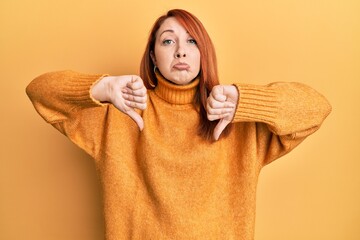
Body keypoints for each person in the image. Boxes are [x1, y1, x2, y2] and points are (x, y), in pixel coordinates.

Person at [26, 9, 331, 240]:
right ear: (153, 58)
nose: (181, 50)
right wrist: (101, 88)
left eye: (192, 41)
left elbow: (317, 107)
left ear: (203, 54)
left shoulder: (236, 120)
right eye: (168, 40)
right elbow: (39, 91)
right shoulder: (120, 114)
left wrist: (244, 100)